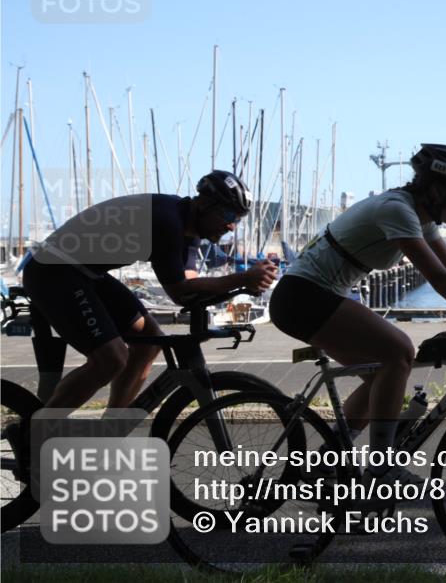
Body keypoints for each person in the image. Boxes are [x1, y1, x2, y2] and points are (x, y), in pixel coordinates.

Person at [268, 144, 446, 485]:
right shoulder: (396, 210)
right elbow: (438, 277)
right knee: (399, 351)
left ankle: (324, 463)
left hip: (319, 295)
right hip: (303, 295)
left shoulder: (418, 215)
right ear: (437, 189)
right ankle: (381, 465)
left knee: (382, 374)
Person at [21, 170, 277, 410]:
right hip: (53, 270)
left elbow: (190, 289)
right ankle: (41, 431)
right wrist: (242, 278)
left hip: (86, 273)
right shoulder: (167, 221)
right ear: (204, 204)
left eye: (238, 220)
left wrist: (244, 283)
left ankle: (111, 431)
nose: (232, 226)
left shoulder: (190, 229)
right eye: (229, 216)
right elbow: (179, 290)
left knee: (148, 342)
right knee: (111, 359)